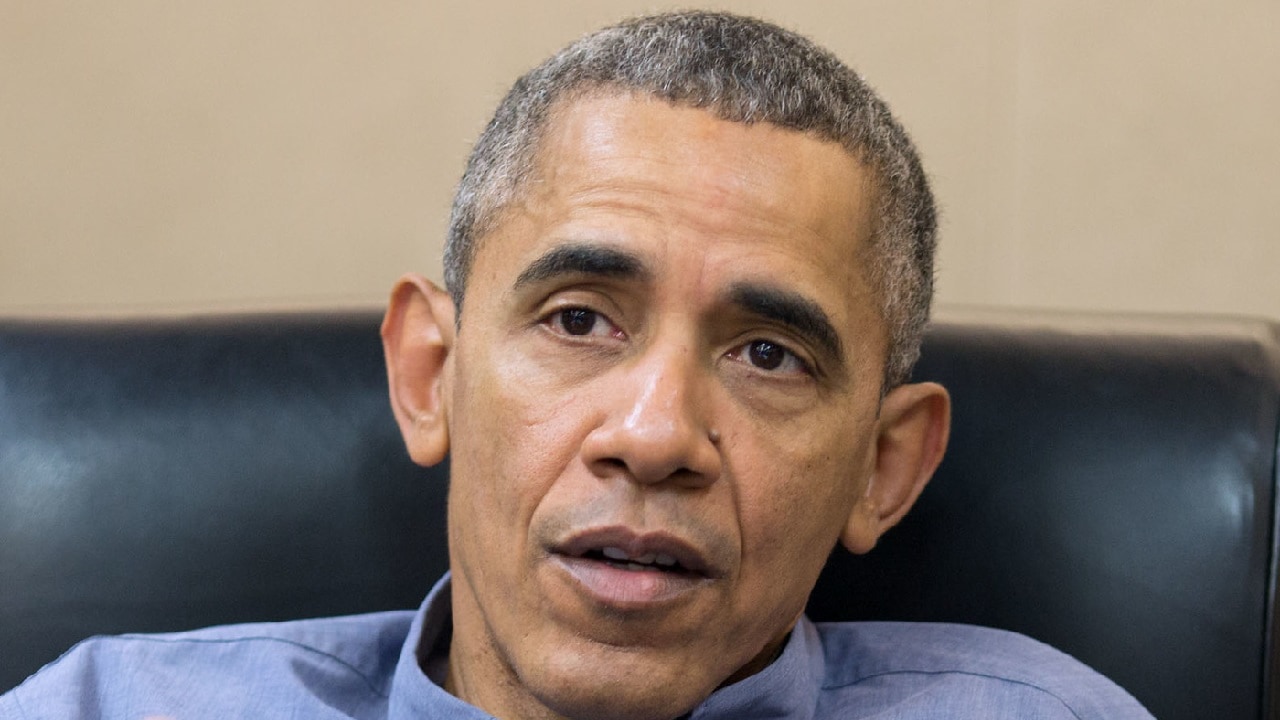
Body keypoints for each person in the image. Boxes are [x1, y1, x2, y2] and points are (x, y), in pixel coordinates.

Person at [2, 11, 1152, 720]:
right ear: (429, 374)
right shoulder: (108, 709)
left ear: (883, 469)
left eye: (767, 354)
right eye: (577, 320)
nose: (653, 436)